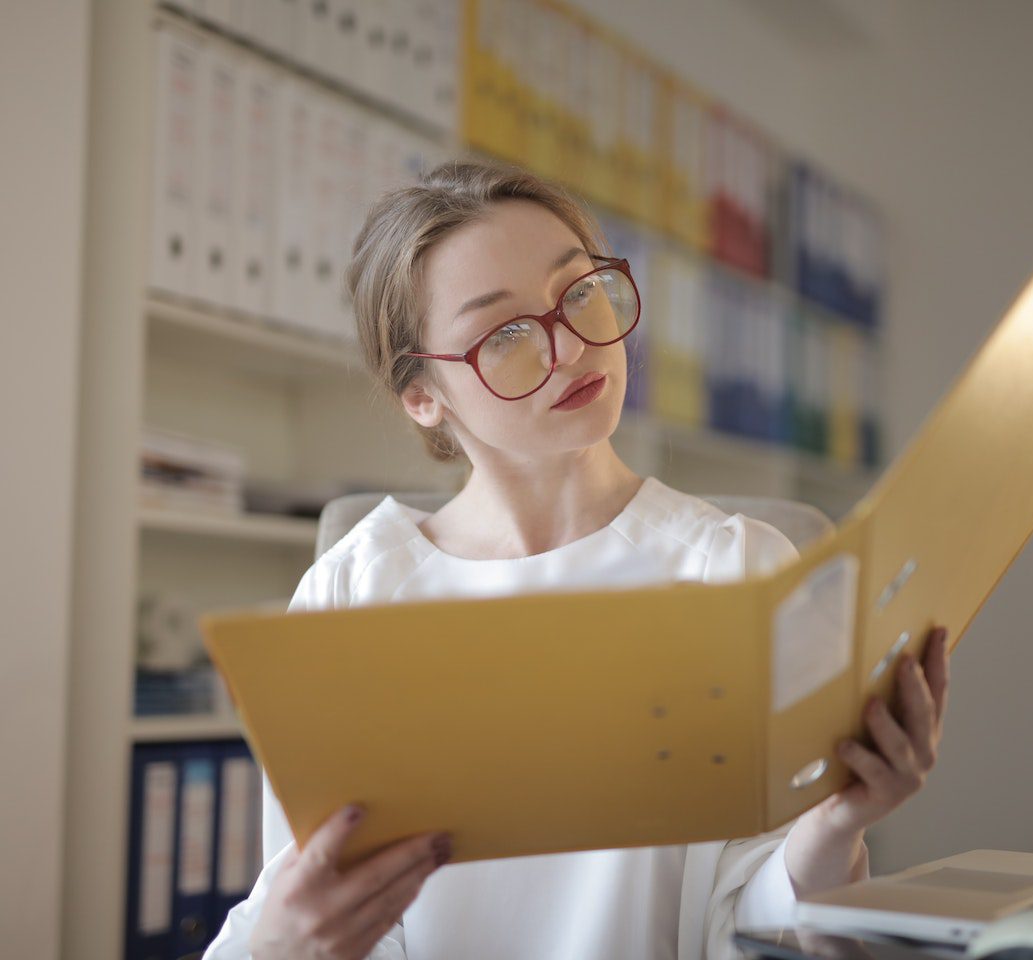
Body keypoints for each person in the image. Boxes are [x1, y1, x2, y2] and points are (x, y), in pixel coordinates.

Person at [203, 158, 951, 960]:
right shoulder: (357, 590)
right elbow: (309, 908)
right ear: (422, 395)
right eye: (508, 333)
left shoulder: (737, 571)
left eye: (581, 292)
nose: (568, 345)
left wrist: (837, 825)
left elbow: (752, 926)